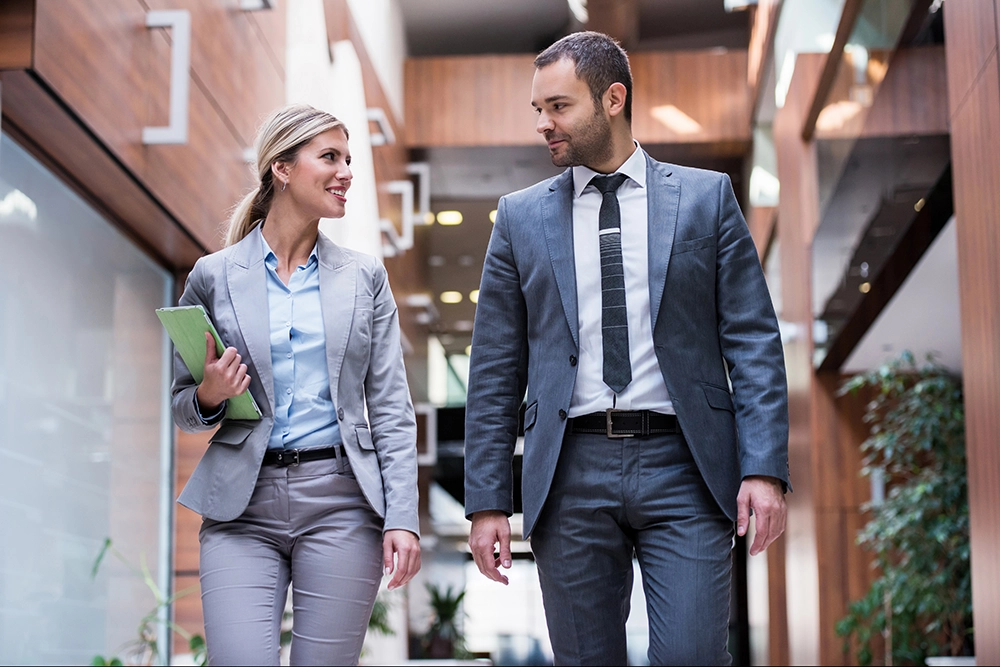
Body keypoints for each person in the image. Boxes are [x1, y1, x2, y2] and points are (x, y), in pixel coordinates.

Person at [464, 32, 789, 665]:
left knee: (693, 655)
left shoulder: (705, 199)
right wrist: (487, 501)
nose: (543, 124)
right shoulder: (519, 218)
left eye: (558, 107)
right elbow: (495, 368)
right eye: (538, 110)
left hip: (686, 466)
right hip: (568, 470)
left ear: (613, 99)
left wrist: (764, 467)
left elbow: (753, 338)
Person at [171, 104, 420, 666]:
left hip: (342, 502)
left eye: (349, 159)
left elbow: (390, 409)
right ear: (281, 169)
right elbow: (183, 403)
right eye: (329, 157)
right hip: (242, 507)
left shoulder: (364, 277)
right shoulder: (213, 276)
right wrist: (210, 395)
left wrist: (402, 516)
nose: (346, 172)